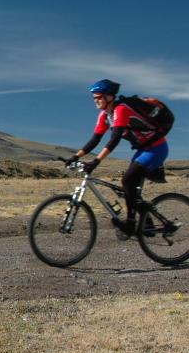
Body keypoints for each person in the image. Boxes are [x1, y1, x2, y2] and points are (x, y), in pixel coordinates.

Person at [66, 79, 169, 236]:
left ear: (109, 97)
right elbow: (95, 140)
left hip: (157, 149)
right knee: (128, 191)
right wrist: (75, 156)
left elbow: (114, 140)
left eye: (99, 97)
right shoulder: (104, 116)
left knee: (127, 180)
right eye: (94, 97)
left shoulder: (121, 110)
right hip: (142, 150)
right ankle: (147, 224)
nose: (96, 100)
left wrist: (96, 161)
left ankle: (130, 224)